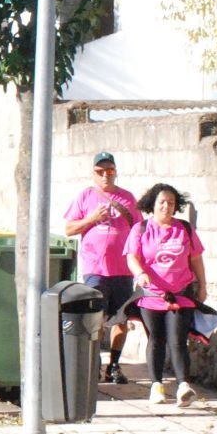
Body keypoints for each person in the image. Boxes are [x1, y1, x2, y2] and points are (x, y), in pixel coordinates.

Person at [124, 183, 208, 408]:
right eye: (162, 202)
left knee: (178, 340)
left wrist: (203, 285)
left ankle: (183, 387)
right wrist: (140, 273)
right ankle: (157, 386)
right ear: (152, 204)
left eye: (171, 203)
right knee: (156, 339)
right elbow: (132, 256)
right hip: (151, 295)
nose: (166, 206)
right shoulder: (141, 229)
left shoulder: (184, 229)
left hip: (180, 293)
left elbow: (196, 259)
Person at [64, 152, 140, 384]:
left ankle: (114, 366)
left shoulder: (127, 198)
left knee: (121, 320)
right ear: (93, 173)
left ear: (115, 172)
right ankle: (93, 362)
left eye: (110, 171)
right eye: (100, 171)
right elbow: (69, 229)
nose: (106, 175)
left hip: (122, 271)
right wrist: (92, 219)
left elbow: (139, 230)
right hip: (95, 270)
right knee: (93, 319)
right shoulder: (86, 196)